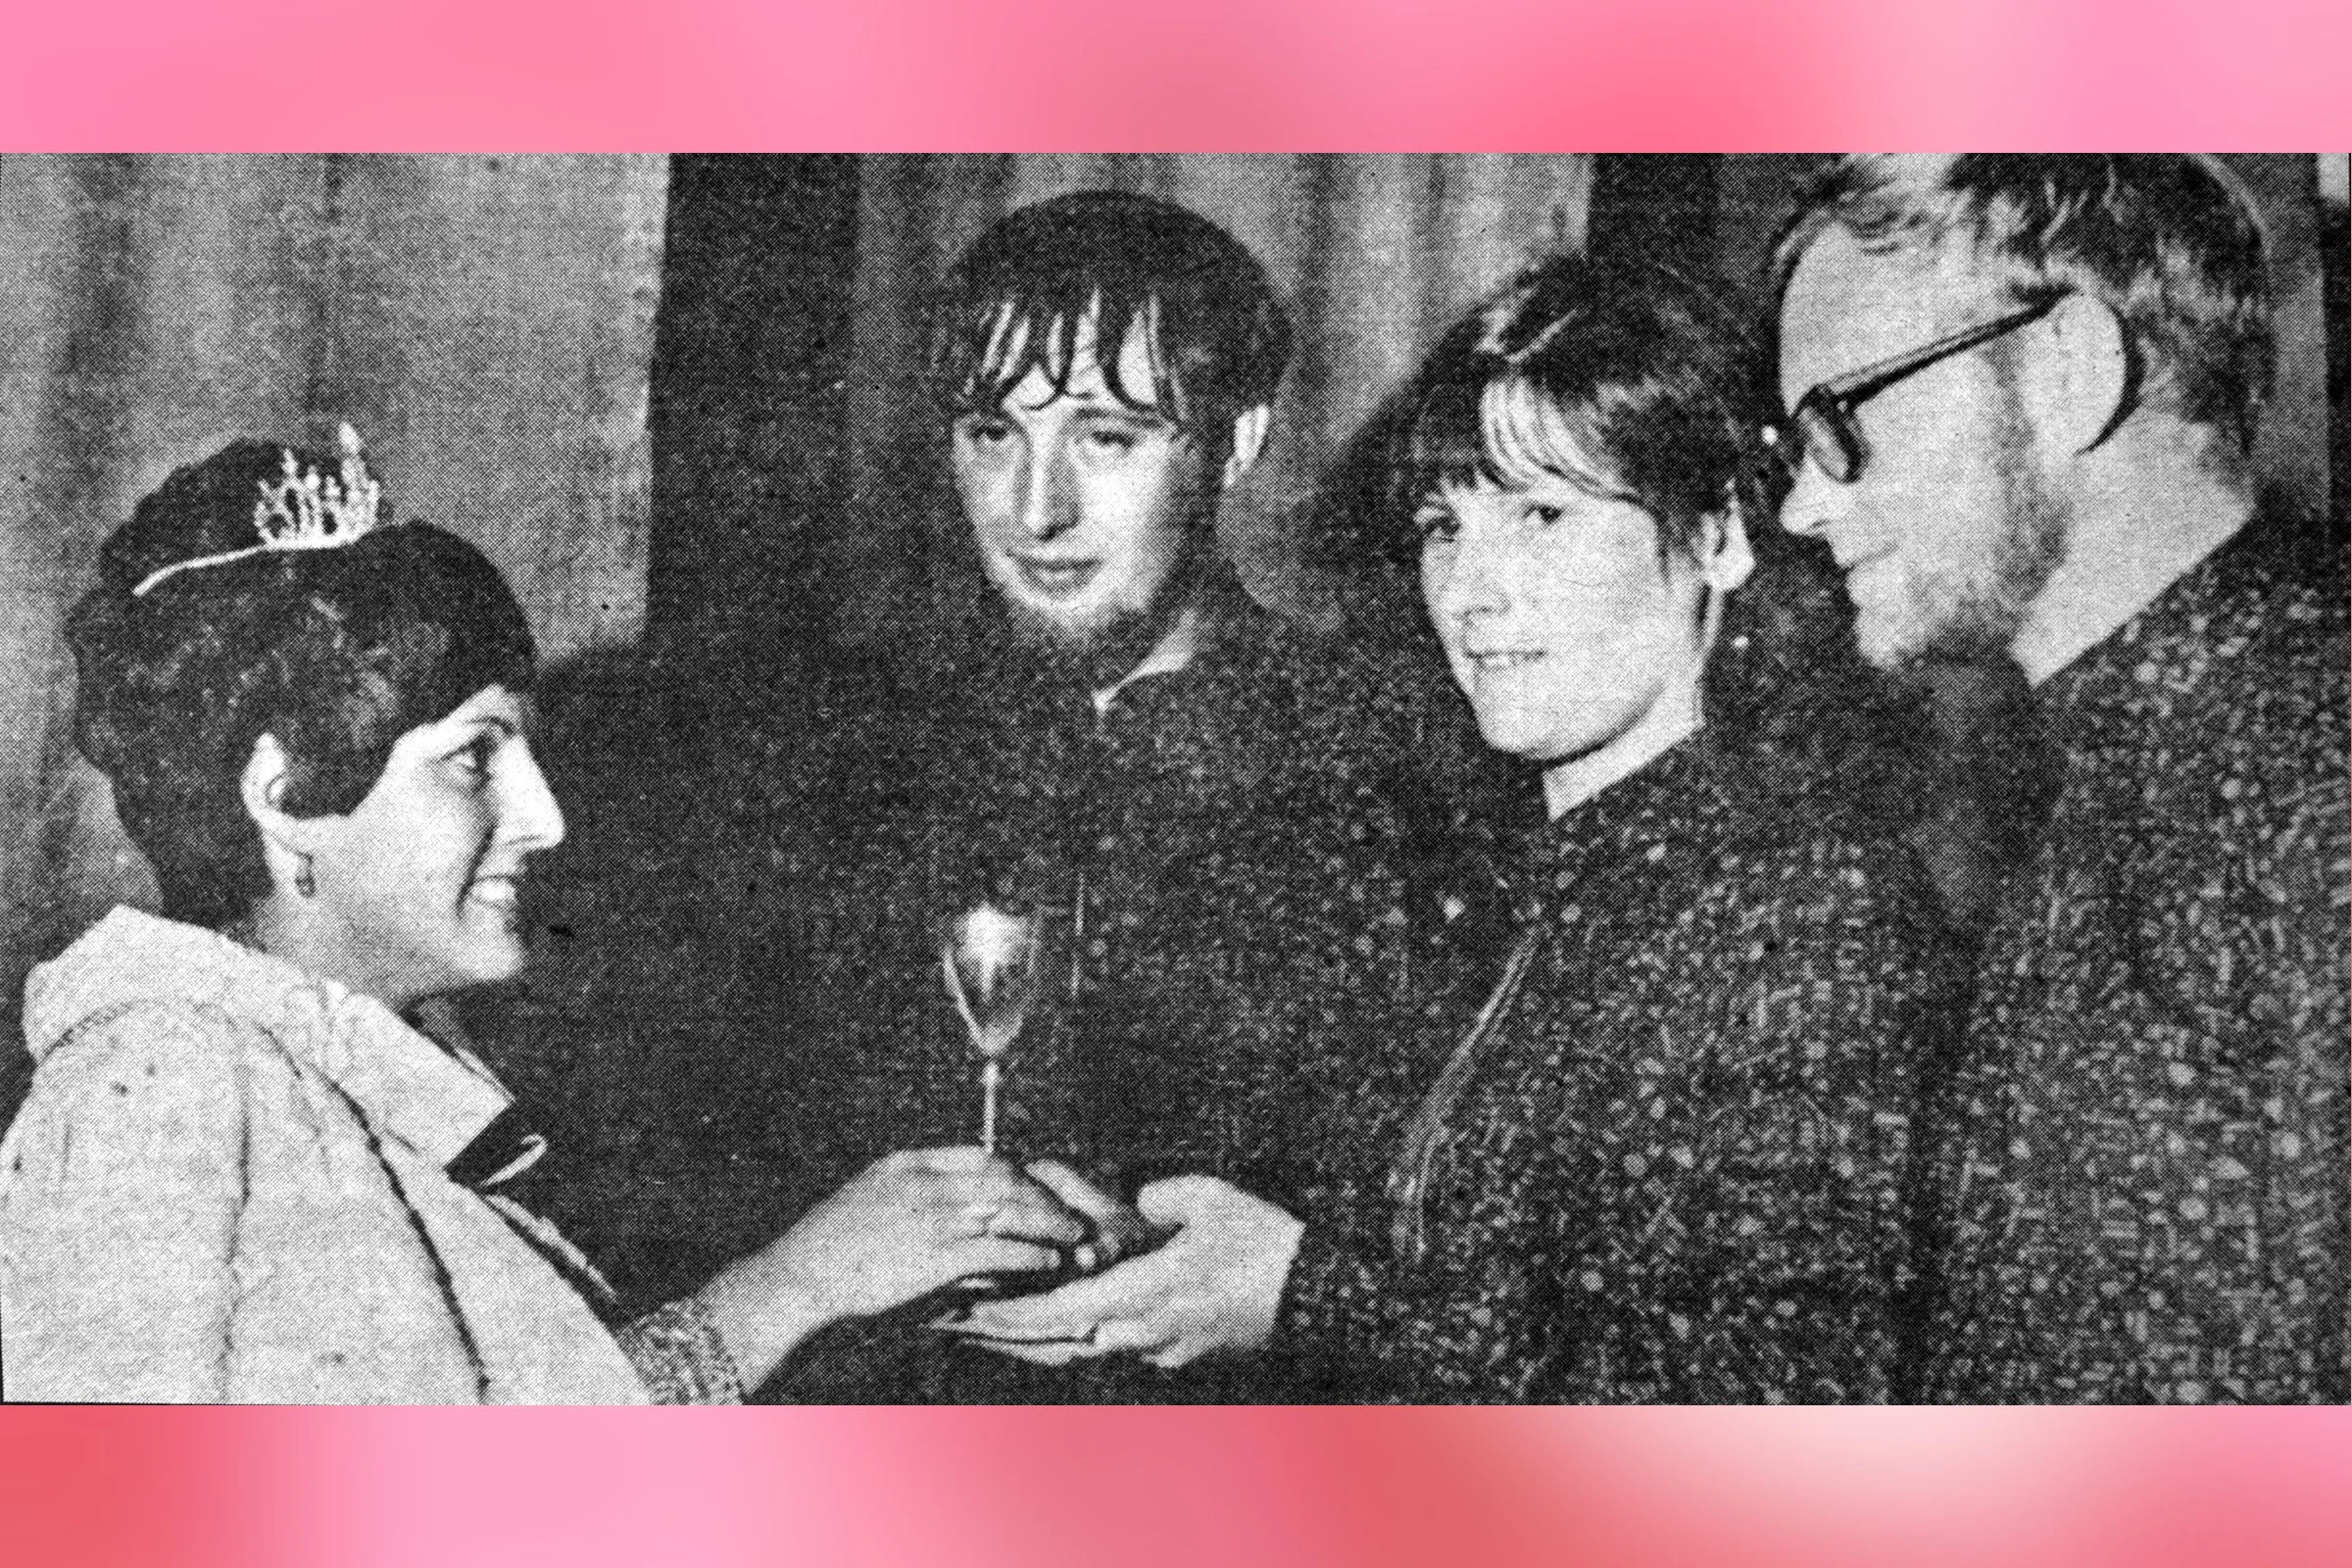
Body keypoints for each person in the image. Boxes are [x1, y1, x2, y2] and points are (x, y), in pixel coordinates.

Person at [949, 254, 1955, 1402]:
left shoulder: (1807, 903)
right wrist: (1170, 1265)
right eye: (1443, 525)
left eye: (1541, 514)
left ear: (1720, 535)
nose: (1473, 591)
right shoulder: (1539, 881)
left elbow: (1792, 1405)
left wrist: (1302, 1297)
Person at [0, 433, 1085, 1403]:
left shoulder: (367, 1076)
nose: (547, 817)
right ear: (283, 793)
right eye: (475, 755)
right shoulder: (160, 1080)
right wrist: (789, 1287)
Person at [730, 190, 1450, 1402]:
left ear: (1236, 441)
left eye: (1108, 438)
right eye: (991, 434)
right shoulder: (846, 757)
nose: (1035, 509)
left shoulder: (1389, 770)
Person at [1773, 155, 2349, 1403]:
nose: (1803, 505)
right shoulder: (2118, 769)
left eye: (1840, 421)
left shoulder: (2311, 770)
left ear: (2069, 371)